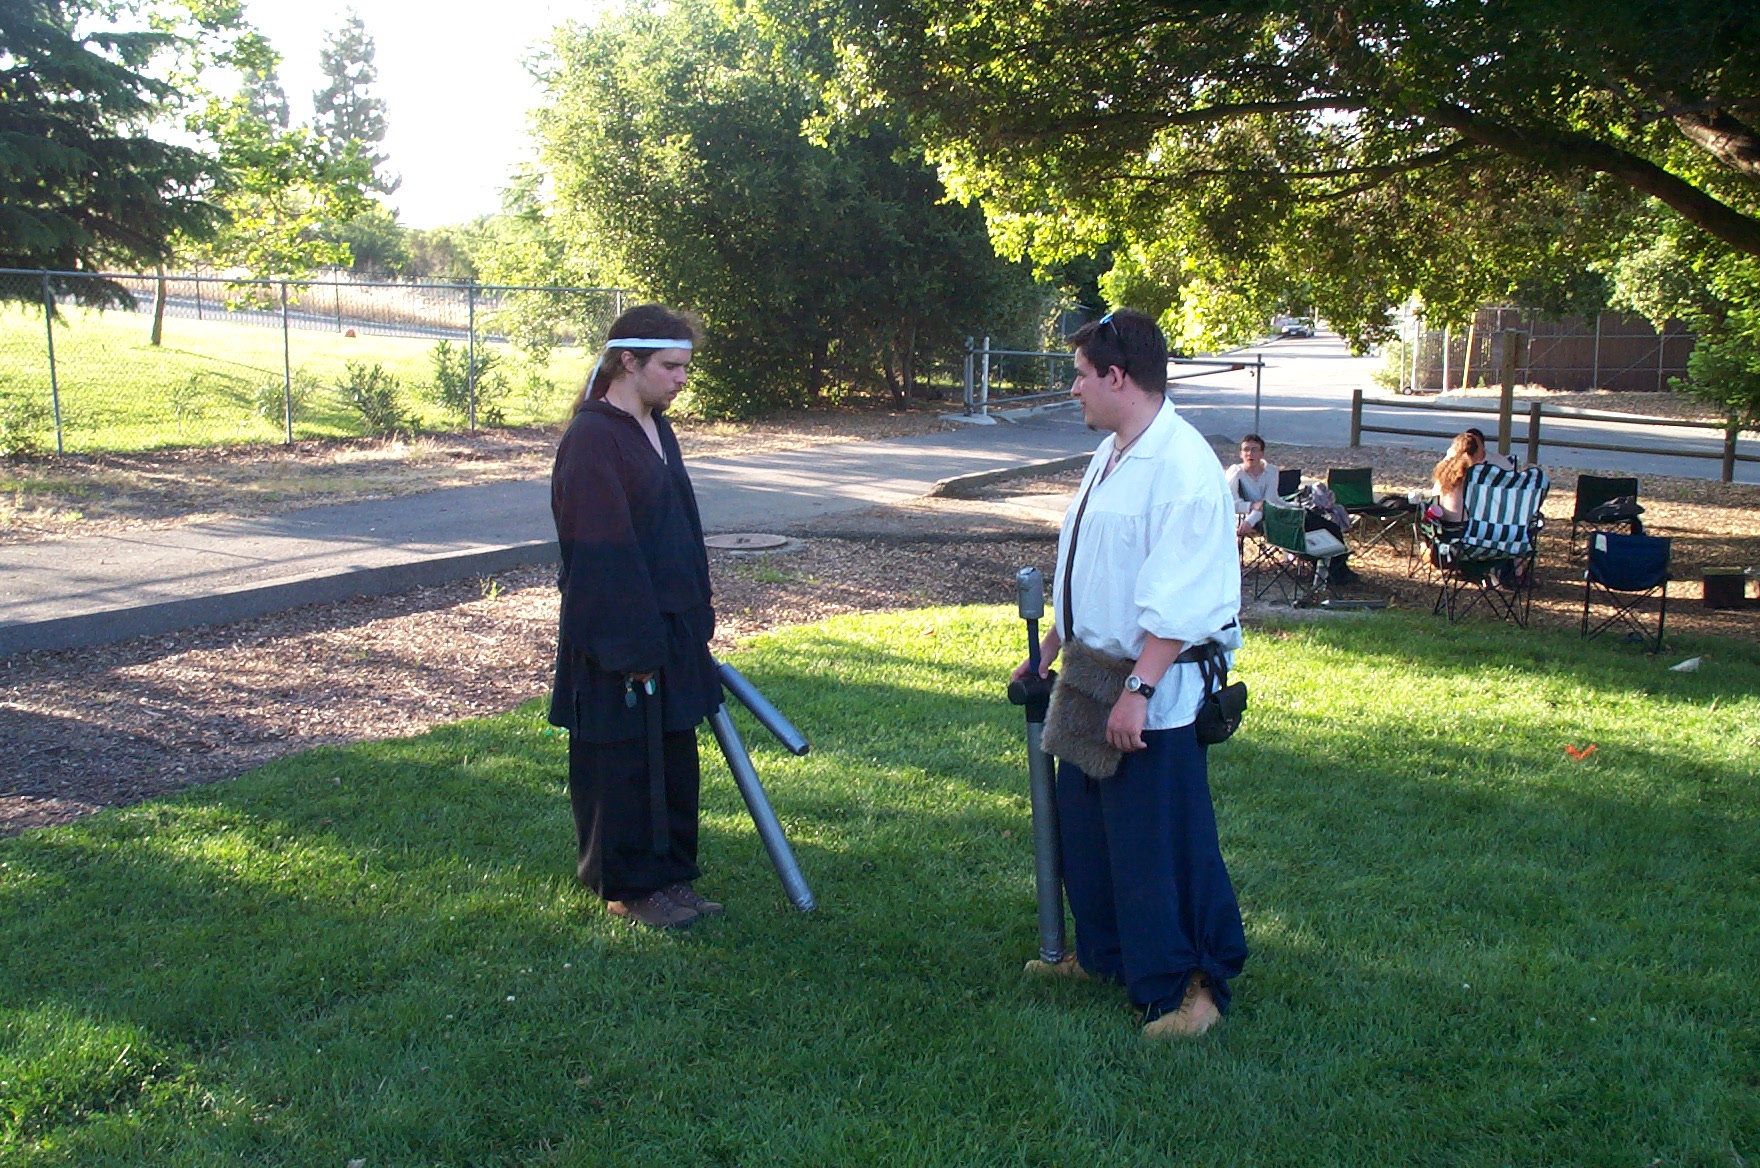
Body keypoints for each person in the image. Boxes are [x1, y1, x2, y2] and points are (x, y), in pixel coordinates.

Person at [1011, 308, 1249, 1039]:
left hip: (1154, 690)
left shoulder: (1181, 466)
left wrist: (1139, 691)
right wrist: (1051, 646)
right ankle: (1105, 955)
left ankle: (1188, 989)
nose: (1073, 389)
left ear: (1117, 377)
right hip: (1092, 675)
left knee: (1157, 842)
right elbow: (1094, 564)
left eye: (1081, 376)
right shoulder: (1113, 451)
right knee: (1089, 832)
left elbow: (1181, 597)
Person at [548, 305, 725, 930]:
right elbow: (600, 551)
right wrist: (631, 647)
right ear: (628, 362)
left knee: (671, 758)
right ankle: (627, 888)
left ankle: (670, 878)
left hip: (669, 628)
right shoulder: (593, 439)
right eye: (670, 367)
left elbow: (680, 528)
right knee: (622, 764)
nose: (682, 379)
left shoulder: (656, 426)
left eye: (685, 367)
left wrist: (693, 617)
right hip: (619, 635)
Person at [1225, 434, 1280, 537]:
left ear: (1261, 454)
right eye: (1246, 450)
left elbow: (1268, 502)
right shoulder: (1235, 472)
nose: (1250, 453)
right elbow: (1229, 503)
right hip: (1242, 517)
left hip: (1270, 516)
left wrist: (1250, 521)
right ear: (1241, 454)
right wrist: (1251, 506)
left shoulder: (1272, 471)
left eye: (1254, 450)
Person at [1430, 430, 1482, 522]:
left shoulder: (1444, 469)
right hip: (1462, 524)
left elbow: (1434, 494)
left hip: (1441, 521)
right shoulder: (1470, 474)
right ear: (1476, 453)